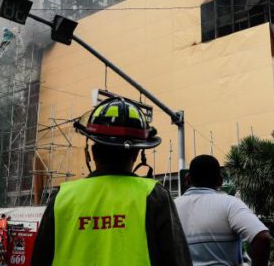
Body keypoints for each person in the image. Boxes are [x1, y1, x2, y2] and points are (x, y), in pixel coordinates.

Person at [31, 97, 191, 266]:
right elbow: (177, 260)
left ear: (92, 152)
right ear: (136, 154)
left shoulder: (62, 198)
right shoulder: (153, 195)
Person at [175, 155, 271, 266]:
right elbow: (262, 237)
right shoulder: (230, 204)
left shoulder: (171, 206)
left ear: (187, 179)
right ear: (220, 181)